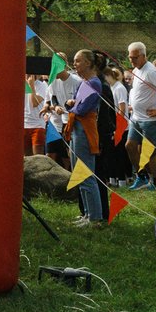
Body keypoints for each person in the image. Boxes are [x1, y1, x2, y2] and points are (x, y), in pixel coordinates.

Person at [64, 49, 105, 227]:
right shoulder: (84, 83)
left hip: (84, 131)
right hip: (76, 128)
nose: (75, 64)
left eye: (78, 61)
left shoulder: (94, 83)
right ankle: (87, 213)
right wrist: (71, 105)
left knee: (86, 173)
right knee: (78, 173)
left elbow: (81, 109)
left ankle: (95, 217)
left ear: (88, 63)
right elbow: (71, 102)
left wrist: (71, 106)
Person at [125, 42, 156, 189]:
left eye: (135, 57)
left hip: (150, 120)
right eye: (130, 57)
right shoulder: (137, 69)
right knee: (130, 146)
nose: (132, 60)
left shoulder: (151, 71)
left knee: (149, 153)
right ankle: (142, 176)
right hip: (136, 118)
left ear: (143, 56)